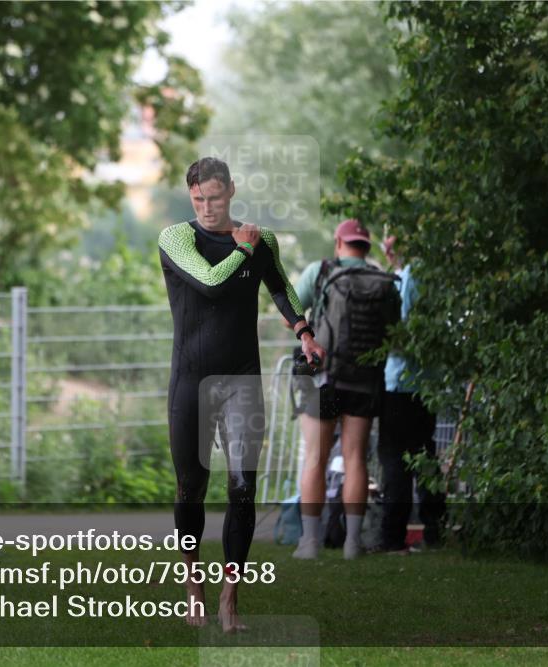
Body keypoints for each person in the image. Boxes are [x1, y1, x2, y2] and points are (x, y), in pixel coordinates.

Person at [158, 157, 325, 631]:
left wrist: (304, 331)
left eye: (214, 197)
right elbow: (211, 284)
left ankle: (230, 597)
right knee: (191, 488)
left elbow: (282, 288)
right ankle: (193, 586)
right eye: (198, 200)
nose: (207, 208)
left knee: (242, 488)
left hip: (241, 380)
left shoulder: (260, 240)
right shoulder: (176, 238)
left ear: (231, 190)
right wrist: (243, 250)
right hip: (189, 381)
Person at [291, 219, 398, 560]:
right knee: (355, 459)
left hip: (326, 378)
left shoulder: (320, 272)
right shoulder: (383, 281)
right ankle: (352, 543)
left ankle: (309, 543)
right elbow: (396, 330)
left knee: (315, 459)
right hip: (366, 380)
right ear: (365, 247)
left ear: (339, 242)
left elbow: (289, 315)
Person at [375, 235, 446, 554]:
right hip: (428, 383)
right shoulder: (436, 281)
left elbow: (396, 330)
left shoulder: (402, 280)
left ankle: (393, 535)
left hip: (398, 381)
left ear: (393, 251)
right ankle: (435, 530)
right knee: (426, 454)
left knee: (394, 460)